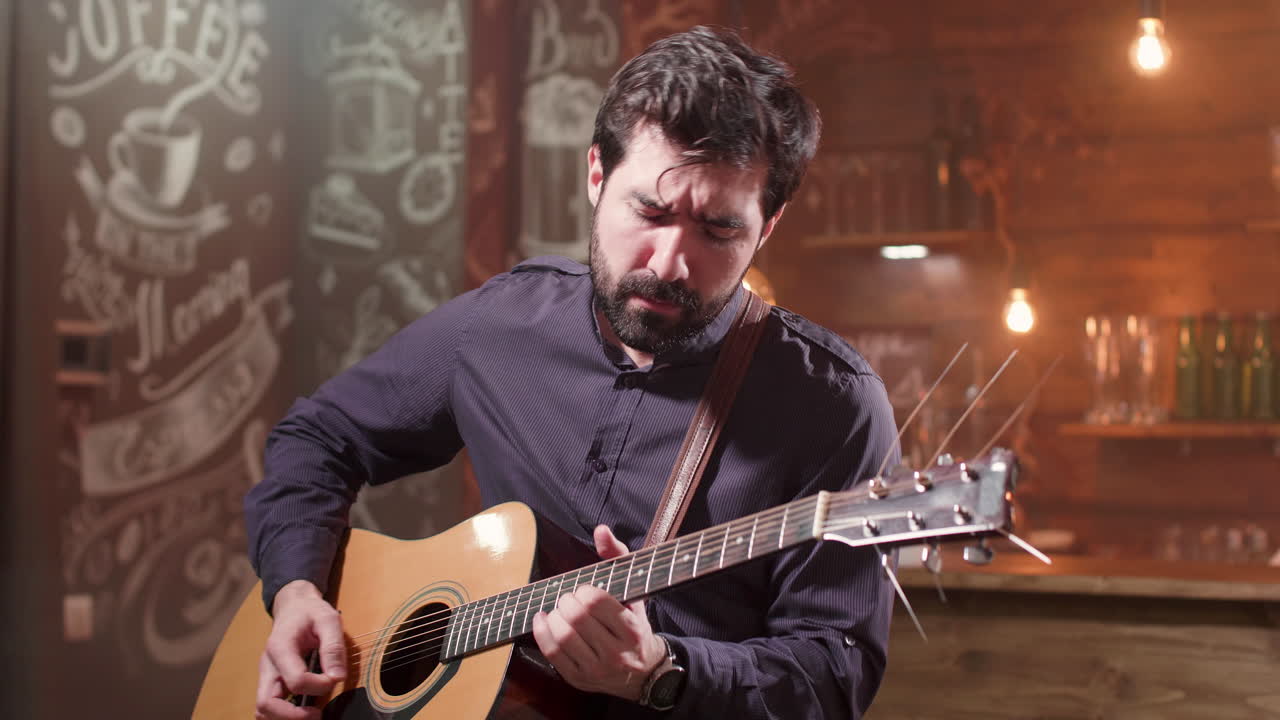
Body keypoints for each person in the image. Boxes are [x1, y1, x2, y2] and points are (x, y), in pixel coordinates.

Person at [246, 25, 898, 720]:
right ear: (596, 177)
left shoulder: (833, 406)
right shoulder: (500, 326)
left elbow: (834, 676)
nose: (669, 263)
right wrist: (296, 590)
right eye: (649, 210)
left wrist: (663, 672)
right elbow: (317, 439)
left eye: (718, 230)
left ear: (766, 227)